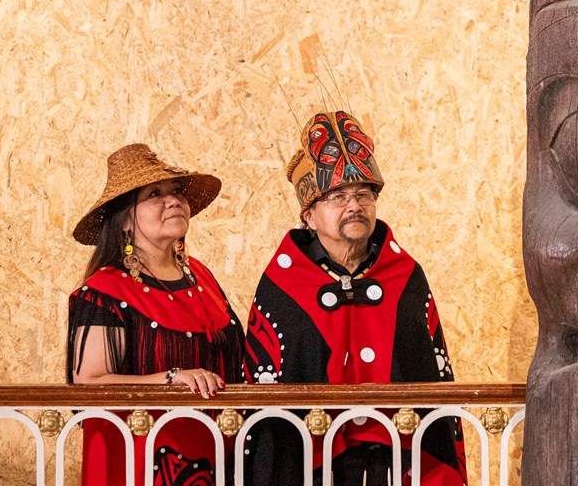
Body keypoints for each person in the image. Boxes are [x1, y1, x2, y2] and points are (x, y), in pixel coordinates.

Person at [243, 109, 466, 486]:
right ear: (309, 216)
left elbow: (430, 368)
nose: (354, 205)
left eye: (364, 194)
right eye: (337, 196)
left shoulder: (405, 275)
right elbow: (266, 385)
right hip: (309, 461)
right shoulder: (283, 283)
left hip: (396, 457)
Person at [67, 143, 245, 486]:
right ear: (125, 223)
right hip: (138, 464)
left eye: (177, 191)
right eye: (154, 194)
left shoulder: (203, 278)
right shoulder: (105, 291)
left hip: (220, 459)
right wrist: (173, 378)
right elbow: (89, 383)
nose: (173, 200)